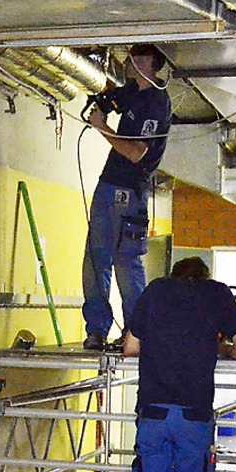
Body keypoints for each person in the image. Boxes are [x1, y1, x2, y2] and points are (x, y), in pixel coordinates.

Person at [123, 257, 236, 472]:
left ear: (174, 276)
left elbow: (130, 347)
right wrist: (218, 347)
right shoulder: (217, 293)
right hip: (194, 416)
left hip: (153, 412)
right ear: (204, 277)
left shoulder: (156, 290)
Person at [82, 44, 172, 351]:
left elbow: (137, 152)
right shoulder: (135, 92)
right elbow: (113, 97)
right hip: (112, 186)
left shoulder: (157, 102)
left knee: (123, 261)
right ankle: (97, 331)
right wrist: (103, 103)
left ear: (146, 61)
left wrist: (102, 127)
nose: (126, 64)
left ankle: (135, 333)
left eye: (132, 59)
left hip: (127, 190)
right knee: (98, 260)